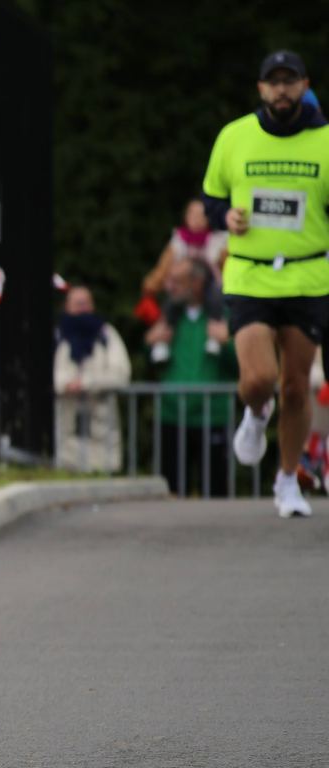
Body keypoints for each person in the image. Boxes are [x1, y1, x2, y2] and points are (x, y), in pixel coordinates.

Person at [203, 49, 329, 517]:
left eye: (289, 81)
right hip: (251, 273)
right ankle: (256, 413)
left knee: (296, 387)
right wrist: (226, 216)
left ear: (304, 86)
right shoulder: (234, 136)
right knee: (258, 379)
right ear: (261, 88)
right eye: (273, 81)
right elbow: (211, 199)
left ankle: (287, 480)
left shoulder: (325, 141)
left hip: (307, 276)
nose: (281, 89)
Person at [145, 259, 235, 494]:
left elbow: (240, 365)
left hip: (212, 416)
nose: (170, 287)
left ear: (197, 282)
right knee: (172, 490)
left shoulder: (221, 315)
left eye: (177, 281)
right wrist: (151, 343)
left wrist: (226, 343)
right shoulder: (169, 316)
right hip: (172, 415)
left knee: (215, 491)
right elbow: (152, 362)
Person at [52, 284, 131, 472]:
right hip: (66, 426)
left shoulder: (106, 335)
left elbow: (121, 374)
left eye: (85, 303)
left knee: (102, 469)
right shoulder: (58, 336)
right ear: (67, 307)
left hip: (100, 429)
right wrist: (64, 384)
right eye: (77, 303)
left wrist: (87, 383)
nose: (82, 308)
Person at [135, 198, 229, 324]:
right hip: (182, 286)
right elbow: (164, 267)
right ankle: (167, 327)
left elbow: (228, 267)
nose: (196, 219)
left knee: (216, 296)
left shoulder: (217, 241)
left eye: (201, 215)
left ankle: (216, 323)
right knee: (171, 301)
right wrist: (151, 286)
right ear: (186, 217)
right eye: (192, 215)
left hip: (209, 285)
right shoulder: (178, 241)